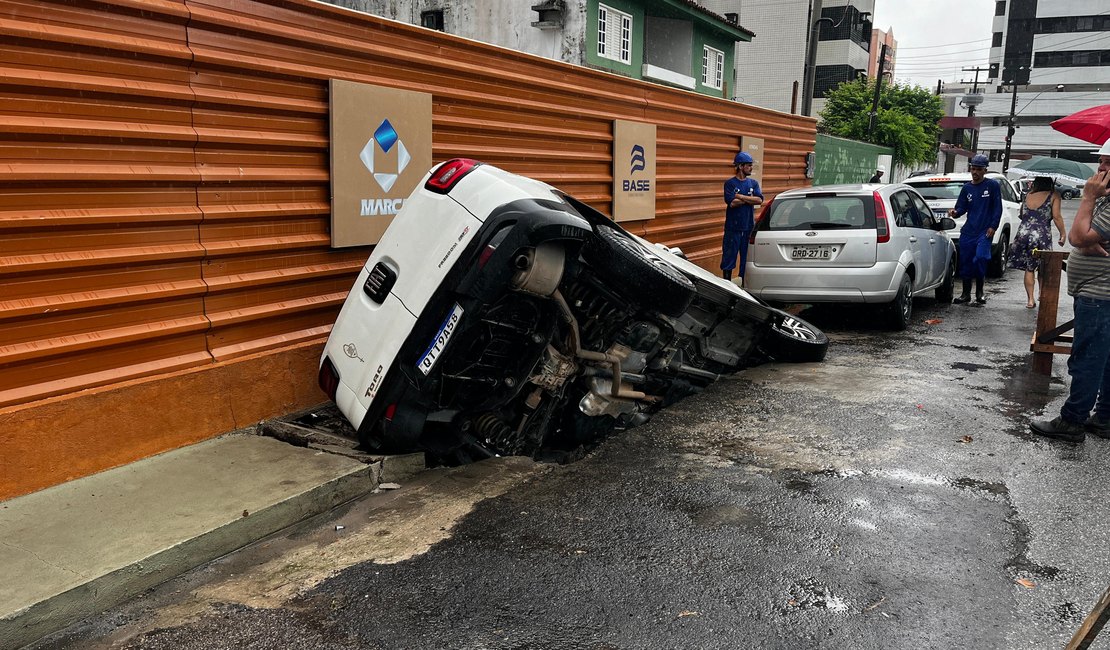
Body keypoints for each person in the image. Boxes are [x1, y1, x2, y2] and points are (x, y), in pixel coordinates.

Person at [1030, 141, 1110, 442]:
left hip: (1100, 295)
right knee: (1104, 357)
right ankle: (1103, 417)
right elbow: (1084, 239)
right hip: (1098, 293)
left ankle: (1072, 421)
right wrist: (1086, 239)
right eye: (1101, 161)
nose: (1100, 169)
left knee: (1088, 357)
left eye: (1108, 163)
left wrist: (1088, 199)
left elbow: (1077, 236)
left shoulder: (1102, 201)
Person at [948, 154, 1002, 304]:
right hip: (968, 232)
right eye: (973, 169)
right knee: (965, 262)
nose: (975, 172)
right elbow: (961, 207)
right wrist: (955, 213)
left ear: (985, 170)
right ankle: (966, 294)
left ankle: (980, 292)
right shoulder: (967, 188)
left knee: (981, 257)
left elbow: (997, 208)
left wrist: (993, 226)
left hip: (984, 231)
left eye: (979, 169)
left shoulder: (992, 186)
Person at [1009, 176, 1067, 308]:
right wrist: (1063, 234)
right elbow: (1057, 217)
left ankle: (1030, 300)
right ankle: (1041, 293)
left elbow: (1022, 214)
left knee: (1029, 268)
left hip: (1023, 233)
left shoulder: (1028, 195)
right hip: (1041, 234)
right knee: (1043, 265)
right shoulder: (1054, 195)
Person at [721, 151, 764, 282]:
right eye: (749, 165)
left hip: (748, 228)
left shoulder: (753, 183)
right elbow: (732, 203)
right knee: (729, 256)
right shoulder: (730, 183)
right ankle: (727, 283)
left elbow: (759, 200)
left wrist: (740, 196)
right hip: (732, 228)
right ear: (740, 166)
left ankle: (744, 284)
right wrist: (749, 198)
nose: (751, 168)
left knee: (746, 258)